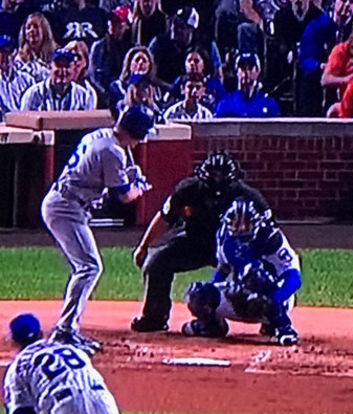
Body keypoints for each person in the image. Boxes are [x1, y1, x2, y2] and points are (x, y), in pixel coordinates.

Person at [41, 105, 154, 354]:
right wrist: (140, 187)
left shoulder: (101, 136)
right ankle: (65, 330)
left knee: (87, 267)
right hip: (65, 208)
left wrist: (127, 175)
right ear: (137, 132)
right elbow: (124, 196)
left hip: (66, 203)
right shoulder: (113, 151)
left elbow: (99, 172)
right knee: (89, 267)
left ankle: (67, 328)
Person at [131, 151, 272, 332]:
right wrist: (144, 246)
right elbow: (165, 217)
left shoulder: (250, 197)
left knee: (262, 273)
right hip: (196, 243)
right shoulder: (186, 191)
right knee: (157, 262)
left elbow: (269, 231)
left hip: (236, 250)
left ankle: (271, 317)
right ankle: (154, 317)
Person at [182, 199, 301, 346]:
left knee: (255, 276)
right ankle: (211, 325)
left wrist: (274, 300)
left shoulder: (271, 240)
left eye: (245, 223)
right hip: (239, 296)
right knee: (197, 293)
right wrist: (211, 296)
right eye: (235, 223)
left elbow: (294, 279)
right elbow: (223, 269)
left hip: (273, 296)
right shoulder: (224, 238)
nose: (240, 228)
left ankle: (282, 327)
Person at [3, 313, 119, 414]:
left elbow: (21, 411)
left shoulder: (19, 366)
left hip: (67, 406)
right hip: (104, 402)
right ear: (41, 334)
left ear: (14, 341)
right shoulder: (73, 350)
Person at [20, 48, 95, 111]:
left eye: (67, 66)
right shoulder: (33, 94)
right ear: (49, 67)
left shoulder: (84, 95)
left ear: (73, 68)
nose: (63, 71)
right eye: (58, 65)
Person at [89, 5, 133, 108]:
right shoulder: (98, 47)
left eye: (118, 22)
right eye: (111, 21)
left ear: (127, 25)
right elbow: (94, 75)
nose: (113, 24)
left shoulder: (132, 49)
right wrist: (107, 95)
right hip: (103, 98)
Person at [214, 52, 280, 117]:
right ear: (237, 72)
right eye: (242, 68)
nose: (246, 73)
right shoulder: (226, 103)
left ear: (257, 71)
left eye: (250, 68)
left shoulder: (268, 103)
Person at [0, 34, 35, 120]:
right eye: (2, 51)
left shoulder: (27, 79)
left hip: (25, 125)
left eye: (9, 51)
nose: (6, 56)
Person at [14, 12, 57, 82]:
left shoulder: (55, 53)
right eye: (28, 27)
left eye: (36, 26)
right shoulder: (20, 58)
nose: (31, 30)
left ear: (44, 30)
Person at [64, 40, 98, 108]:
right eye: (70, 56)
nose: (74, 61)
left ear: (85, 62)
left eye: (78, 57)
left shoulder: (89, 92)